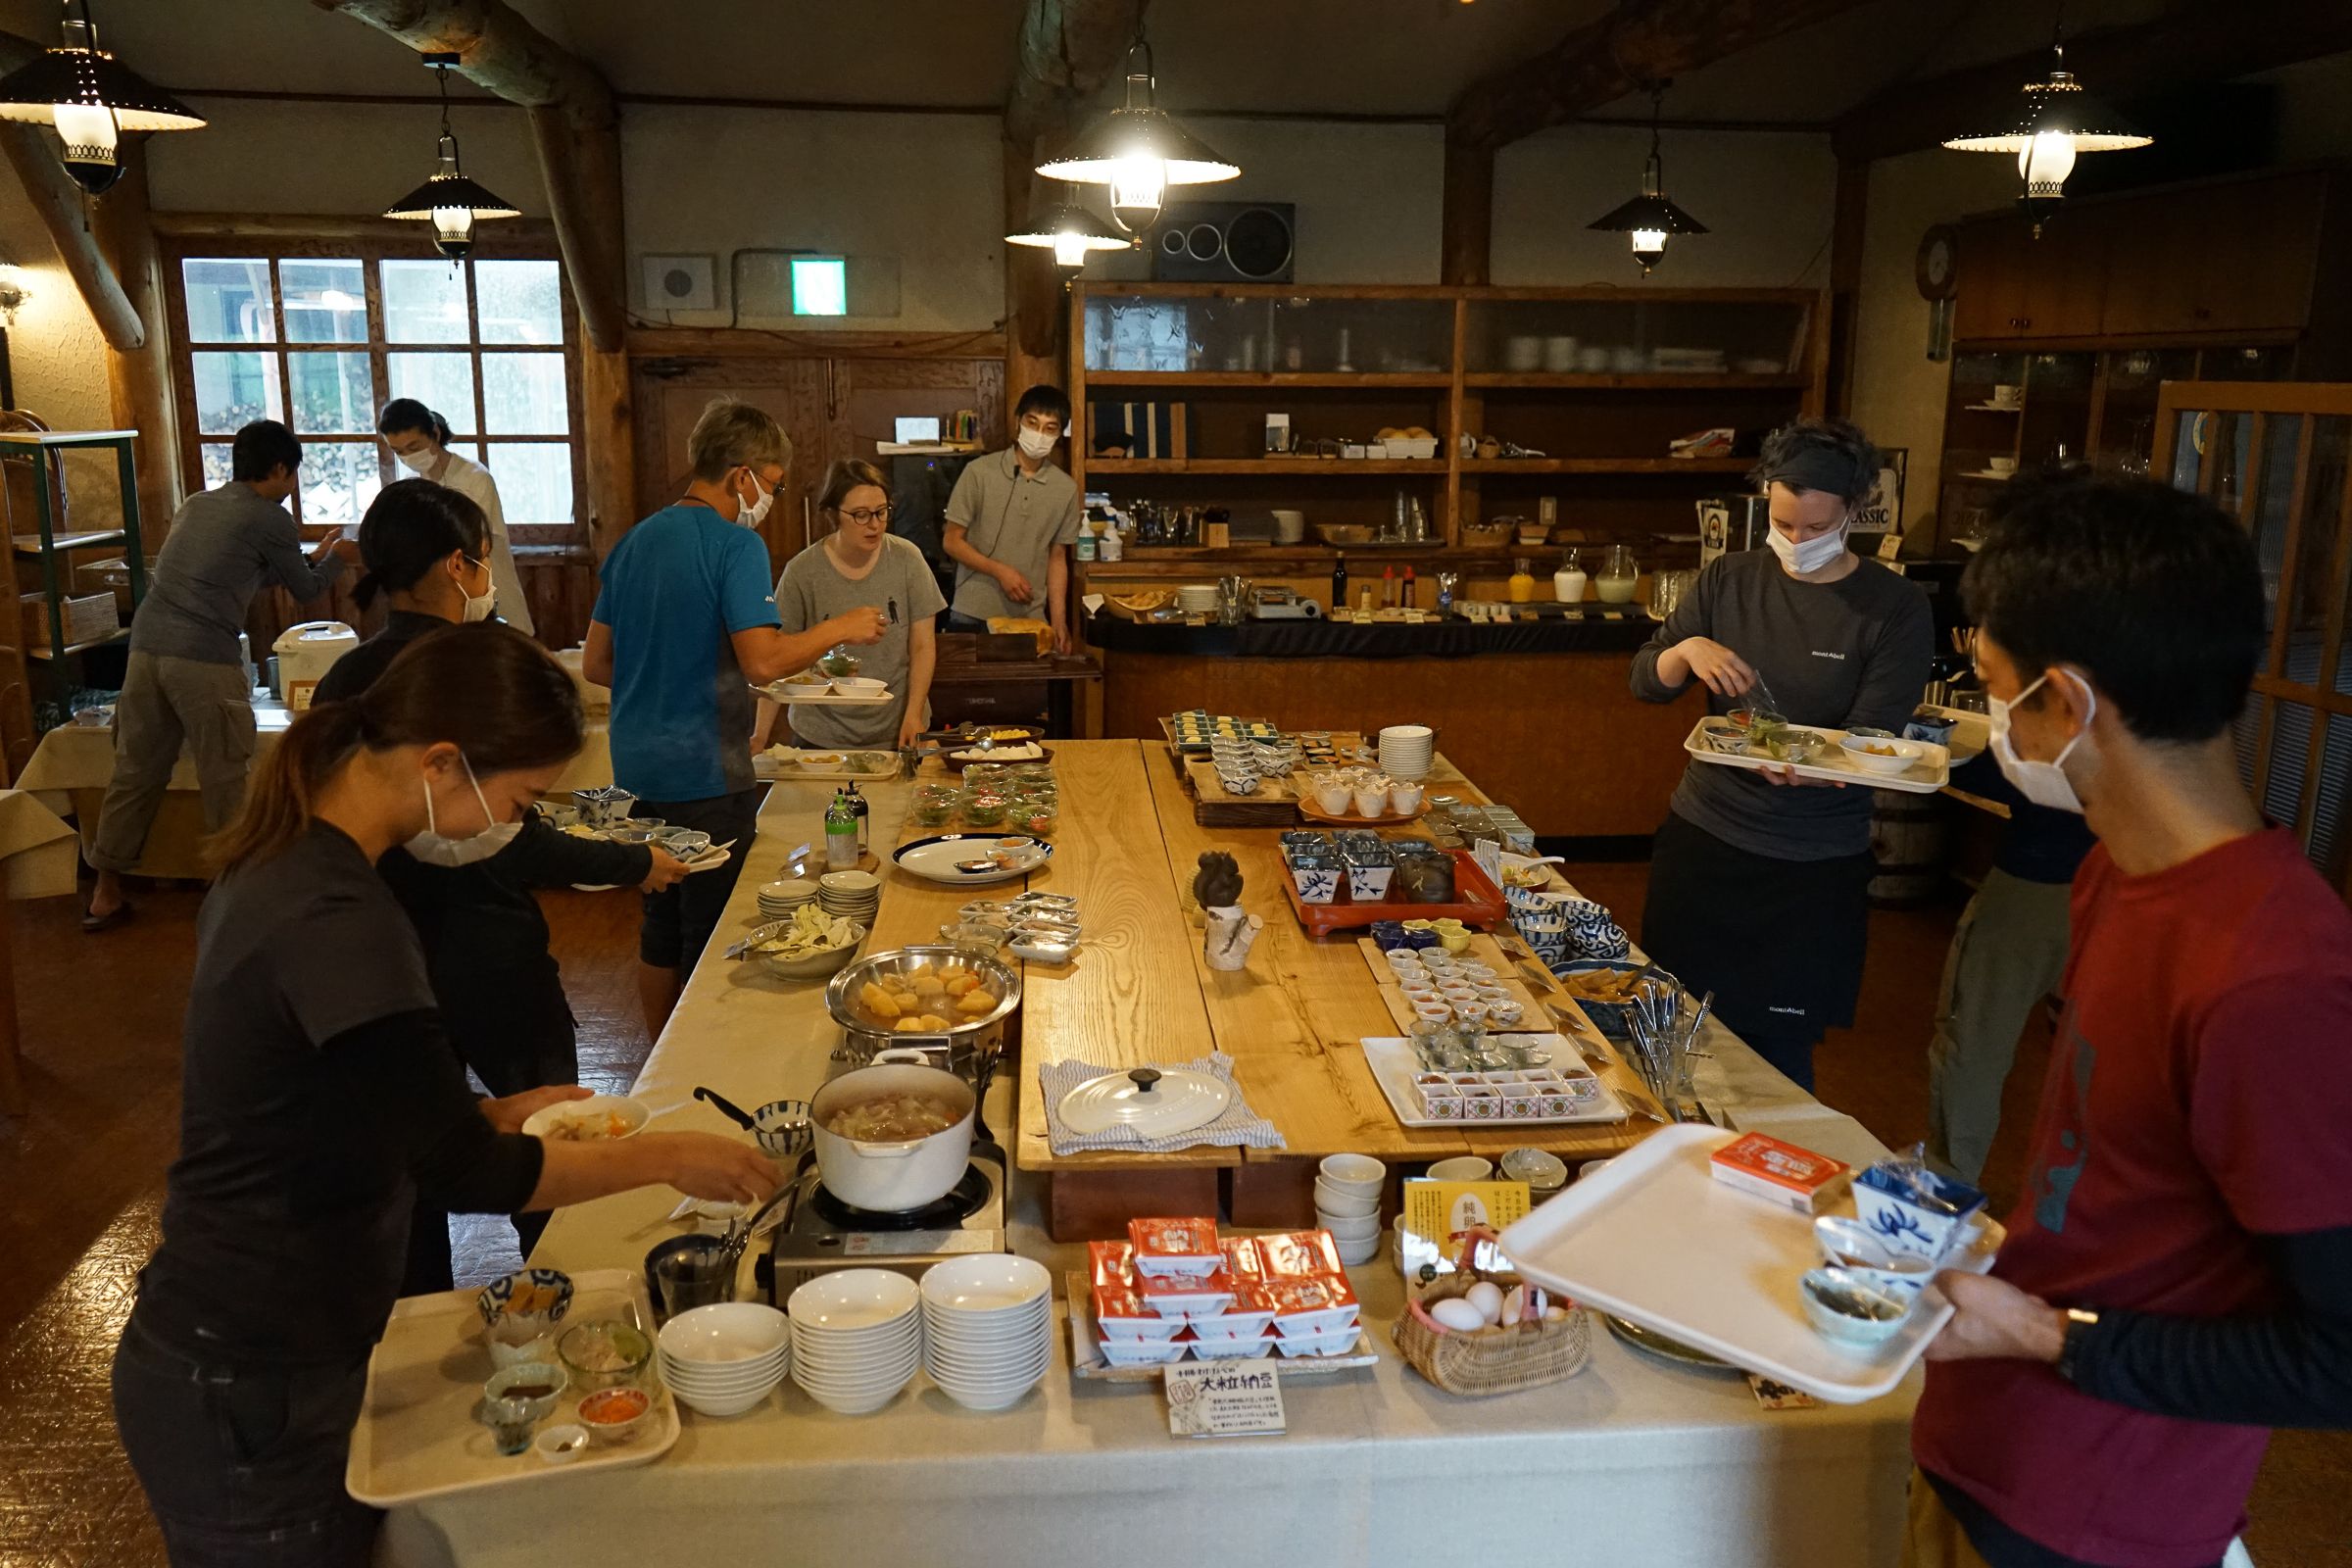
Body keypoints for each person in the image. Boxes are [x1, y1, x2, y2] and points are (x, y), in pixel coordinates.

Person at [111, 622, 777, 1567]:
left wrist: (491, 1110)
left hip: (274, 1342)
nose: (511, 824)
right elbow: (467, 1172)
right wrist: (668, 1154)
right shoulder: (335, 913)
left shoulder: (298, 859)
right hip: (248, 1365)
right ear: (441, 762)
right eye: (518, 798)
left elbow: (358, 1108)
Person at [1909, 470, 2352, 1568]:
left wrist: (2042, 1332)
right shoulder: (2117, 873)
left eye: (1993, 688)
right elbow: (2110, 1188)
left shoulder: (2274, 977)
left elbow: (2338, 1356)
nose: (1993, 722)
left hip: (2103, 1519)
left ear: (2066, 701)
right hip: (1987, 1448)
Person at [316, 478, 689, 1290]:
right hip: (485, 953)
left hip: (406, 961)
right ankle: (564, 1288)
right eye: (486, 560)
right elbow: (509, 840)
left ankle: (421, 1307)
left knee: (416, 1159)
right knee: (545, 1131)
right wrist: (669, 1156)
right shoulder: (469, 676)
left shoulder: (349, 677)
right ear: (460, 565)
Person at [1629, 416, 1932, 1091]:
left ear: (1855, 511)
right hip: (1705, 840)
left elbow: (1871, 739)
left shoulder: (1894, 608)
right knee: (1666, 1028)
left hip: (1810, 866)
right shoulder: (1729, 579)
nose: (1795, 542)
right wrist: (1682, 651)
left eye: (1816, 529)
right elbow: (1645, 681)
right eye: (1783, 523)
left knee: (1774, 1062)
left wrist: (1801, 758)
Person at [583, 397, 885, 1034]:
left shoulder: (636, 541)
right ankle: (692, 1062)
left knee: (659, 922)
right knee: (713, 925)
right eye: (771, 484)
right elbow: (765, 662)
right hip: (703, 769)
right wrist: (841, 626)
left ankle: (655, 1064)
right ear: (741, 473)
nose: (768, 498)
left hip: (635, 766)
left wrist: (665, 673)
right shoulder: (733, 547)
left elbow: (596, 663)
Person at [84, 419, 348, 932]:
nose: (293, 485)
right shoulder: (270, 518)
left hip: (145, 650)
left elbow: (245, 567)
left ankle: (105, 892)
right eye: (292, 474)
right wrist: (337, 559)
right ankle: (234, 900)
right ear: (278, 469)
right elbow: (308, 591)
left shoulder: (198, 504)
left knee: (134, 773)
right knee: (225, 776)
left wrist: (311, 557)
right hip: (203, 656)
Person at [1923, 739, 2096, 1186]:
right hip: (2132, 881)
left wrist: (1933, 745)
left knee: (1975, 1040)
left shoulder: (2064, 686)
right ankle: (2075, 1204)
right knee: (2095, 1054)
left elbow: (2003, 776)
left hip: (2039, 878)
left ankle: (1950, 1187)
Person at [756, 459, 945, 753]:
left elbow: (923, 646)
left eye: (881, 513)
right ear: (834, 514)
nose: (874, 524)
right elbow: (777, 654)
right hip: (820, 736)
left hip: (896, 729)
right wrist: (760, 735)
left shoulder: (908, 559)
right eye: (860, 515)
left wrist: (914, 714)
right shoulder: (803, 571)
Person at [940, 383, 1082, 652]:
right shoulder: (978, 472)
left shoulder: (1066, 488)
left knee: (1025, 695)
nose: (1039, 434)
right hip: (972, 611)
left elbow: (1057, 557)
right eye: (1033, 422)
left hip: (1030, 618)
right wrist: (1000, 571)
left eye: (1050, 428)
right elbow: (952, 541)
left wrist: (1060, 621)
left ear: (1060, 434)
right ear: (1018, 421)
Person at [376, 397, 532, 636]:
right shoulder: (411, 487)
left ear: (435, 434)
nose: (408, 456)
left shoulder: (474, 478)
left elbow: (472, 542)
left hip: (488, 592)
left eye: (414, 447)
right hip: (443, 605)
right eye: (399, 452)